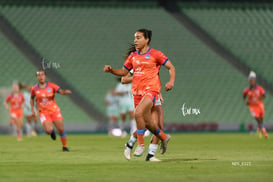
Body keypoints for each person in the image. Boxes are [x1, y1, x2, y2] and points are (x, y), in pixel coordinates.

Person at [104, 28, 176, 157]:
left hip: (152, 91)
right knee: (149, 123)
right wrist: (111, 70)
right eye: (135, 38)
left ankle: (145, 150)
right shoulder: (134, 58)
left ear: (146, 40)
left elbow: (169, 68)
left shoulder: (156, 54)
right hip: (138, 92)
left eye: (138, 38)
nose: (135, 40)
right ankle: (160, 138)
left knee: (149, 118)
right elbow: (124, 76)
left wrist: (171, 81)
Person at [122, 72, 165, 161]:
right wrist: (139, 77)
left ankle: (150, 155)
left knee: (159, 125)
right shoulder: (135, 62)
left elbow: (156, 77)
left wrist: (159, 93)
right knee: (147, 124)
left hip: (154, 94)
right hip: (141, 95)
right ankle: (130, 144)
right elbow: (124, 80)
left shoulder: (153, 61)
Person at [30, 70, 72, 151]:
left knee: (61, 129)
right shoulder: (34, 89)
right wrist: (33, 110)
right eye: (39, 75)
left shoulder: (51, 86)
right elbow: (32, 99)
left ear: (45, 76)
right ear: (37, 77)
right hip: (43, 113)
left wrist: (64, 92)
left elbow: (60, 91)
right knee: (48, 131)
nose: (41, 76)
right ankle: (51, 132)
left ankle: (64, 147)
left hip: (54, 110)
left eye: (42, 75)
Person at [243, 71, 268, 138]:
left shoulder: (259, 88)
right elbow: (244, 97)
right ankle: (265, 133)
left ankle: (259, 130)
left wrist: (260, 98)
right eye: (250, 80)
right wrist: (245, 102)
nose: (251, 82)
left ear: (255, 81)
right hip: (252, 107)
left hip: (260, 105)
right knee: (258, 119)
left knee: (261, 119)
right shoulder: (247, 90)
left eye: (253, 80)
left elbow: (264, 95)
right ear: (249, 81)